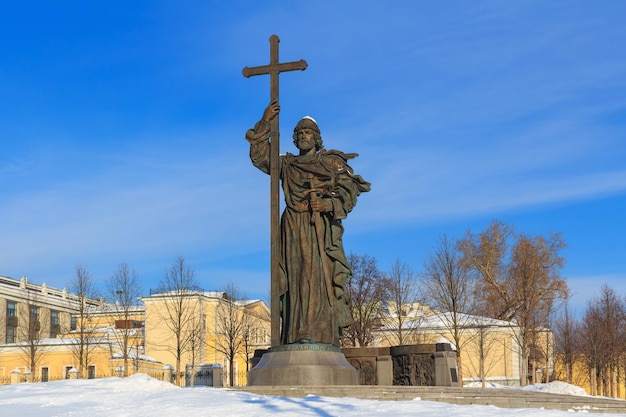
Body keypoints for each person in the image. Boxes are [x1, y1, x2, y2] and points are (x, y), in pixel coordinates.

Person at [246, 102, 370, 346]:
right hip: (292, 226)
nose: (303, 136)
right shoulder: (288, 164)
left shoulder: (329, 163)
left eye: (308, 133)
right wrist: (265, 121)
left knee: (315, 279)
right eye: (299, 133)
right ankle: (293, 333)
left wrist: (328, 205)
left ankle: (316, 332)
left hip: (317, 227)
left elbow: (350, 190)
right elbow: (260, 157)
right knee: (295, 281)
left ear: (317, 137)